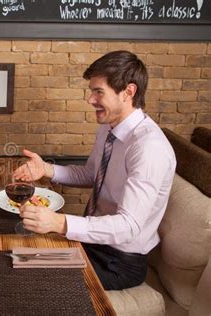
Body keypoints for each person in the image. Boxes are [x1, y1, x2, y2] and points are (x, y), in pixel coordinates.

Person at [14, 50, 176, 290]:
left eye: (98, 91)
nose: (90, 99)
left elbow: (128, 227)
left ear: (128, 92)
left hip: (118, 262)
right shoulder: (110, 127)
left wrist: (60, 223)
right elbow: (92, 175)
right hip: (93, 242)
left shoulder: (148, 148)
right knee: (17, 257)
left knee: (30, 281)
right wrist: (47, 169)